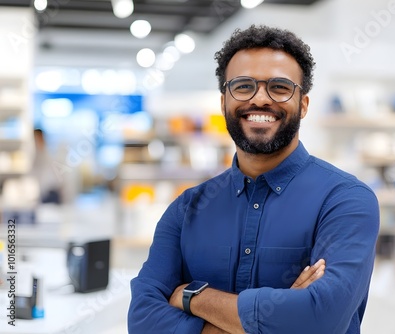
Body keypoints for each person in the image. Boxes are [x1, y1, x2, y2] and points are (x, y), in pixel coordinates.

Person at [128, 24, 380, 334]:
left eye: (279, 87)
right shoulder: (186, 209)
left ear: (303, 104)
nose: (260, 99)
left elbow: (320, 320)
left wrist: (193, 297)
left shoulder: (345, 201)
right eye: (244, 86)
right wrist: (281, 318)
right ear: (223, 102)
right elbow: (142, 319)